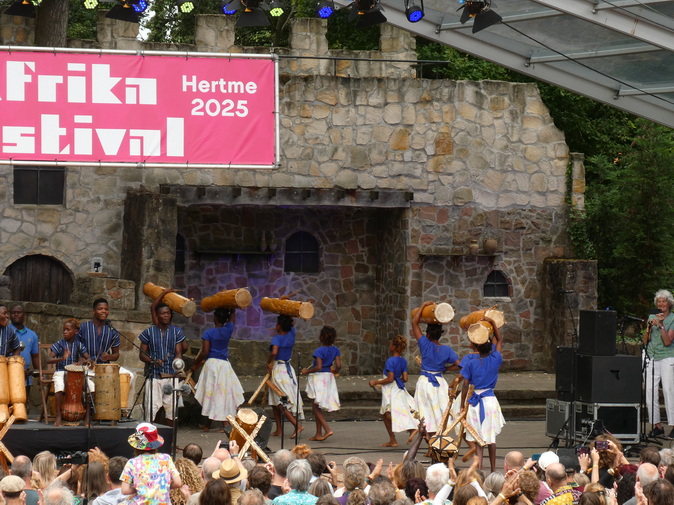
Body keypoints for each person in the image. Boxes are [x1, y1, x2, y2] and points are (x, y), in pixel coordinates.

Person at [458, 315, 506, 473]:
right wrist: (492, 322)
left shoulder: (471, 363)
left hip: (474, 402)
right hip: (490, 401)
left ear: (475, 347)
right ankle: (493, 469)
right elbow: (499, 340)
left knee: (478, 438)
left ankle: (478, 468)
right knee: (491, 438)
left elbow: (465, 386)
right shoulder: (495, 359)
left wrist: (462, 406)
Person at [191, 307, 245, 432]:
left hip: (212, 365)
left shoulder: (208, 333)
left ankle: (225, 425)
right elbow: (232, 317)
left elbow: (205, 352)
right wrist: (232, 308)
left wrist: (195, 363)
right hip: (224, 365)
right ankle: (208, 425)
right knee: (220, 393)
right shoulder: (228, 330)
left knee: (214, 393)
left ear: (214, 318)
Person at [77, 298, 136, 409]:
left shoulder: (112, 331)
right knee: (90, 384)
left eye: (106, 309)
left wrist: (108, 356)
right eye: (100, 309)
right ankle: (92, 409)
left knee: (129, 375)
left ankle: (117, 408)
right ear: (93, 311)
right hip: (87, 367)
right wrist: (86, 359)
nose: (104, 311)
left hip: (105, 367)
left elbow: (116, 355)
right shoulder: (83, 328)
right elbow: (76, 347)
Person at [411, 301, 460, 435]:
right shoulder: (447, 350)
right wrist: (446, 369)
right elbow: (459, 365)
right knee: (440, 411)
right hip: (439, 382)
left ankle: (430, 438)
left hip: (425, 382)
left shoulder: (425, 344)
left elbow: (414, 323)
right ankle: (438, 437)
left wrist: (423, 305)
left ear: (427, 334)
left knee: (425, 411)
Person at [139, 288, 185, 425]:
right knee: (152, 410)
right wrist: (152, 361)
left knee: (171, 411)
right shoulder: (148, 332)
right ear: (157, 315)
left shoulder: (176, 332)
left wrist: (177, 362)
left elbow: (179, 352)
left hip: (171, 376)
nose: (166, 316)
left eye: (168, 313)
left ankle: (170, 436)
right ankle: (151, 435)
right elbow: (142, 355)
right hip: (154, 377)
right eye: (163, 313)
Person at [369, 335, 417, 447]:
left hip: (390, 390)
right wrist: (397, 381)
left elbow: (390, 379)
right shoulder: (403, 361)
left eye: (391, 344)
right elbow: (405, 378)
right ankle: (393, 439)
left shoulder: (390, 361)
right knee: (385, 414)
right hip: (398, 387)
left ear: (394, 347)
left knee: (388, 413)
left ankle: (411, 428)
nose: (389, 346)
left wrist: (375, 382)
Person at [120, 422, 183, 504]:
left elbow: (124, 490)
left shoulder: (132, 463)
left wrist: (140, 488)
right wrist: (162, 487)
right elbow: (178, 483)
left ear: (137, 444)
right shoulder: (166, 459)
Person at [47, 318, 93, 427]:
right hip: (61, 372)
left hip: (76, 375)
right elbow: (48, 359)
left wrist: (83, 361)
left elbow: (90, 360)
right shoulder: (60, 344)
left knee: (91, 386)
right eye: (64, 329)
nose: (65, 332)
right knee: (59, 386)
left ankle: (87, 417)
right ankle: (58, 416)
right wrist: (62, 358)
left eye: (68, 330)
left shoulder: (79, 345)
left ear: (75, 331)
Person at [300, 325, 341, 442]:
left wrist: (306, 371)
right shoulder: (335, 350)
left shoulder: (319, 351)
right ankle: (318, 433)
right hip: (328, 378)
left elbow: (318, 367)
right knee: (317, 405)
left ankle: (327, 429)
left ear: (321, 337)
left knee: (315, 406)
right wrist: (335, 371)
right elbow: (339, 365)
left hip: (318, 378)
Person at [267, 313, 304, 439]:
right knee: (274, 400)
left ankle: (297, 425)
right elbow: (292, 322)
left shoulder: (277, 338)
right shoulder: (291, 334)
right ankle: (279, 429)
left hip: (279, 370)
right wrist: (286, 311)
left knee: (280, 400)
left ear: (280, 326)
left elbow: (274, 352)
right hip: (288, 370)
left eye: (277, 324)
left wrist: (268, 362)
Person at [644, 289, 674, 439]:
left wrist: (661, 325)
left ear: (669, 304)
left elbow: (667, 341)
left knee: (668, 390)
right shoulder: (651, 316)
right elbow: (645, 340)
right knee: (650, 391)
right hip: (652, 357)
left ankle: (673, 425)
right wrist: (649, 327)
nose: (661, 304)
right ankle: (657, 426)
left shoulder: (673, 318)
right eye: (659, 302)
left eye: (664, 301)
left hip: (667, 357)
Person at [9, 304, 39, 396]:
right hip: (8, 373)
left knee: (23, 401)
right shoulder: (6, 332)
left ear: (24, 314)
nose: (16, 315)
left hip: (25, 376)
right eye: (13, 313)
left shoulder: (32, 334)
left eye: (18, 312)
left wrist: (39, 372)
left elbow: (35, 356)